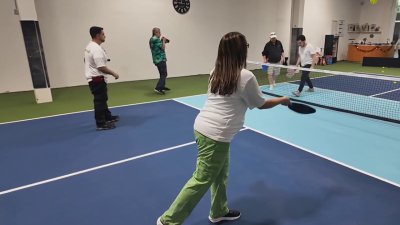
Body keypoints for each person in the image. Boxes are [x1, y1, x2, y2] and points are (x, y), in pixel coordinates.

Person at [156, 32, 290, 225]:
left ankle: (218, 210)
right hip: (216, 135)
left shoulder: (215, 71)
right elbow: (261, 104)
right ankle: (168, 221)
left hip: (205, 128)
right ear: (240, 51)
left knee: (220, 174)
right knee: (201, 180)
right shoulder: (245, 76)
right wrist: (282, 101)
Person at [84, 26, 120, 131]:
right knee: (100, 100)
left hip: (96, 77)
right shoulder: (96, 49)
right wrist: (114, 73)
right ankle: (101, 123)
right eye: (103, 34)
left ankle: (107, 117)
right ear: (97, 35)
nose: (105, 35)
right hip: (97, 79)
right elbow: (101, 67)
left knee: (103, 99)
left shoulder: (90, 46)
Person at [150, 27, 170, 95]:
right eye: (159, 32)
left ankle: (162, 86)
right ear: (156, 32)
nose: (160, 34)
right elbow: (163, 48)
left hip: (156, 59)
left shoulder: (152, 39)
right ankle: (158, 88)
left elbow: (156, 47)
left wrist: (162, 41)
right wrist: (163, 41)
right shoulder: (156, 39)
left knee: (162, 74)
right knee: (164, 74)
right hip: (160, 59)